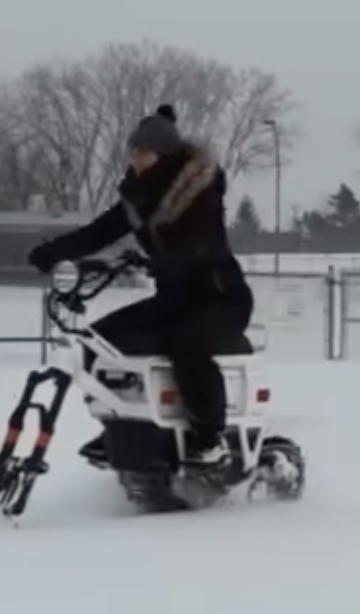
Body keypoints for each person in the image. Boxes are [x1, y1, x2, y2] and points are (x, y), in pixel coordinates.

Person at [27, 104, 254, 479]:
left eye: (140, 151)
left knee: (187, 344)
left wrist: (164, 264)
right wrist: (51, 253)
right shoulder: (139, 199)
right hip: (175, 299)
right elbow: (99, 232)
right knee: (99, 341)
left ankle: (210, 440)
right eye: (132, 151)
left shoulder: (198, 192)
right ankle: (123, 423)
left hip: (220, 298)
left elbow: (201, 243)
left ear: (161, 154)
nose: (132, 158)